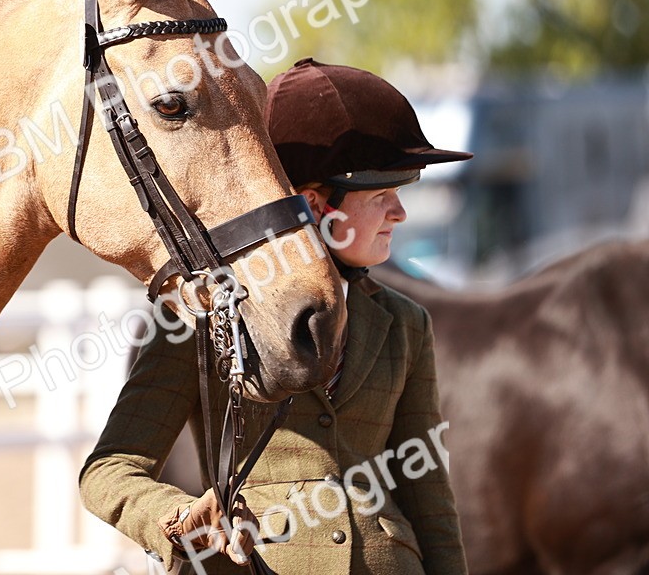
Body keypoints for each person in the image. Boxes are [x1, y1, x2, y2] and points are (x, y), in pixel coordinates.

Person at [79, 58, 471, 574]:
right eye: (382, 196)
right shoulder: (200, 316)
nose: (400, 213)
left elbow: (428, 492)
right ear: (313, 205)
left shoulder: (405, 322)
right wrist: (176, 518)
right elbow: (109, 470)